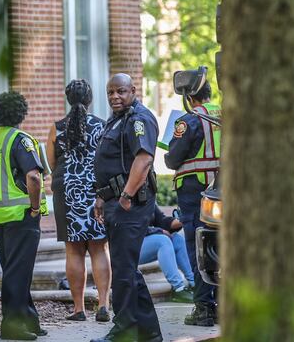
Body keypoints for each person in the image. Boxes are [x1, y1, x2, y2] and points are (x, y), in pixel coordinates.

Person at [91, 74, 162, 342]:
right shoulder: (118, 119)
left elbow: (143, 160)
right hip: (114, 201)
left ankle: (124, 329)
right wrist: (101, 197)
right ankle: (149, 332)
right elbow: (111, 162)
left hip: (130, 204)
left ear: (133, 90)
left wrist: (125, 196)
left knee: (123, 269)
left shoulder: (139, 119)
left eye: (121, 91)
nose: (114, 97)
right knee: (126, 268)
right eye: (110, 92)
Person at [0, 91, 48, 341]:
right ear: (21, 113)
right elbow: (33, 176)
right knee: (18, 272)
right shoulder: (21, 139)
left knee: (15, 270)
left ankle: (29, 320)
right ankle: (12, 325)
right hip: (21, 215)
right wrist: (33, 207)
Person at [47, 79, 112, 322]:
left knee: (73, 250)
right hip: (96, 192)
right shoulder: (101, 126)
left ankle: (79, 309)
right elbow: (106, 159)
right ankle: (104, 305)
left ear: (68, 99)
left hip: (67, 191)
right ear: (90, 99)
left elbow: (52, 163)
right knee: (99, 247)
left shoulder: (57, 128)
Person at [164, 80, 220, 326]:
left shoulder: (187, 121)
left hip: (195, 194)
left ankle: (204, 309)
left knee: (197, 249)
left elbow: (173, 158)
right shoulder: (226, 115)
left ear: (190, 97)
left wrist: (167, 155)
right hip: (225, 191)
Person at [139, 206, 195, 303]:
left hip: (142, 242)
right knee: (163, 240)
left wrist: (181, 220)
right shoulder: (126, 197)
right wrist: (159, 231)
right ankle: (178, 288)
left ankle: (194, 282)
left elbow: (161, 220)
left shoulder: (148, 193)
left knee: (177, 239)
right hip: (126, 247)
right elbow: (132, 226)